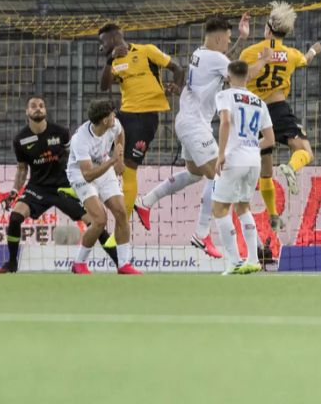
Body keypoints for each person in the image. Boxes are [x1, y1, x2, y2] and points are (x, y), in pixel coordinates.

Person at [135, 14, 268, 257]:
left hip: (187, 121)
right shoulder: (215, 57)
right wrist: (264, 61)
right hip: (195, 125)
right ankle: (202, 233)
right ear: (218, 38)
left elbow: (223, 62)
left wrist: (241, 38)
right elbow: (242, 76)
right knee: (219, 174)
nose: (229, 44)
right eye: (227, 39)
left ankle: (147, 201)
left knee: (196, 173)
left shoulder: (200, 53)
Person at [0, 96, 118, 273]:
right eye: (34, 106)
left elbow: (74, 156)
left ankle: (119, 263)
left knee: (96, 222)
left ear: (45, 111)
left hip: (64, 187)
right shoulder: (20, 139)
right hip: (38, 187)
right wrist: (14, 191)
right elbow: (22, 169)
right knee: (15, 218)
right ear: (27, 112)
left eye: (41, 105)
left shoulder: (60, 132)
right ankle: (12, 263)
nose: (38, 108)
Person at [240, 2, 321, 229]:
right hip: (278, 110)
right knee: (305, 151)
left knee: (265, 170)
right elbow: (306, 60)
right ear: (286, 32)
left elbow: (241, 78)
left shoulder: (249, 52)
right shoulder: (291, 54)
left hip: (255, 113)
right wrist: (314, 50)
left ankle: (273, 214)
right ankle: (291, 167)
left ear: (268, 28)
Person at [98, 23, 184, 229]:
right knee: (96, 145)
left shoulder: (146, 51)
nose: (101, 47)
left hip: (145, 117)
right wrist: (110, 61)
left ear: (113, 38)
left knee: (129, 169)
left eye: (103, 42)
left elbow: (177, 68)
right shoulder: (115, 62)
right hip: (124, 115)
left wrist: (177, 86)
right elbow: (104, 86)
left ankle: (122, 226)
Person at [212, 61, 275, 275]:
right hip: (253, 160)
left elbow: (226, 122)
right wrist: (250, 146)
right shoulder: (259, 102)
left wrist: (221, 154)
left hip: (234, 159)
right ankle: (253, 259)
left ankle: (234, 261)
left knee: (219, 209)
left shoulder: (225, 95)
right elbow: (270, 139)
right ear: (248, 77)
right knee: (243, 208)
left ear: (229, 76)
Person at [66, 100, 141, 275]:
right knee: (99, 220)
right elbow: (88, 175)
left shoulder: (114, 124)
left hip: (104, 164)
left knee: (121, 212)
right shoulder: (80, 140)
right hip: (81, 175)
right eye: (112, 114)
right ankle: (79, 263)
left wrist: (120, 159)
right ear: (105, 120)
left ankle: (123, 265)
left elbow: (120, 134)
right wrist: (113, 161)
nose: (115, 116)